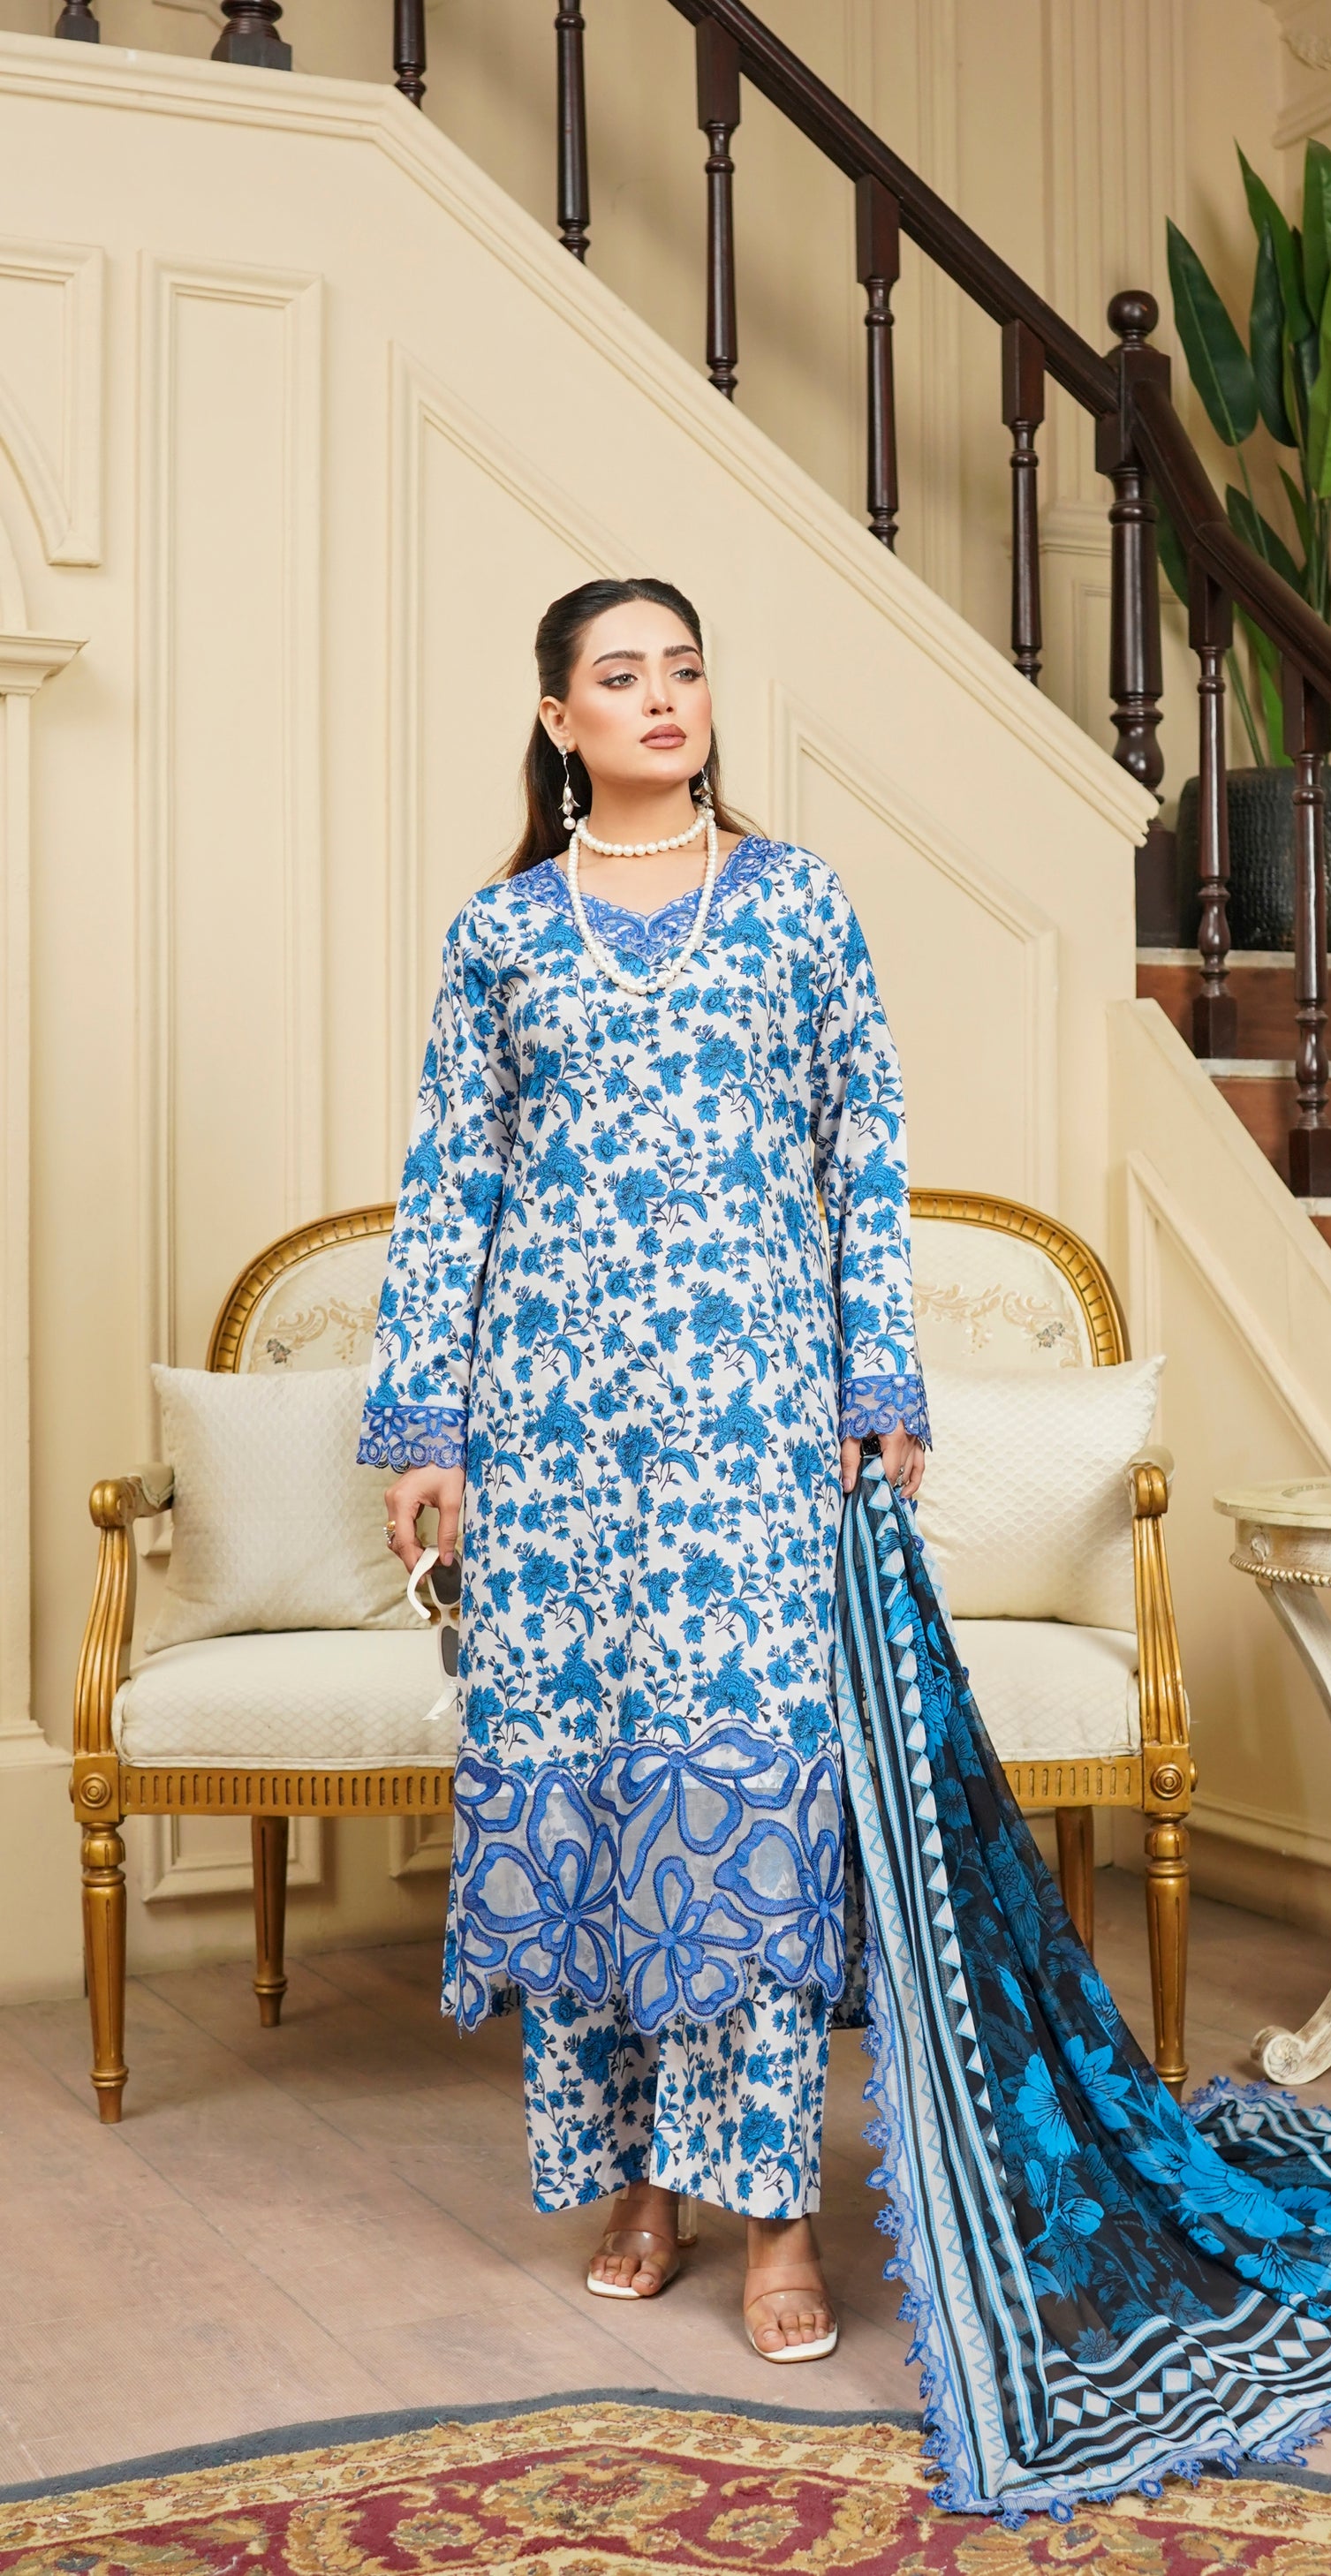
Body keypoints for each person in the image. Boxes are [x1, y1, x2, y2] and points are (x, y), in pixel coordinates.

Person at [359, 575, 927, 2363]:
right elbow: (450, 1178)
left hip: (750, 1431)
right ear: (560, 717)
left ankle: (774, 2214)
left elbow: (866, 1148)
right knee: (594, 1792)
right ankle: (636, 2185)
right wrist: (422, 1425)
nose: (664, 695)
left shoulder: (797, 902)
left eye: (684, 667)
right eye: (622, 674)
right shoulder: (502, 933)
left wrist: (880, 1374)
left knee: (745, 1799)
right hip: (550, 1435)